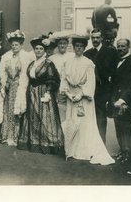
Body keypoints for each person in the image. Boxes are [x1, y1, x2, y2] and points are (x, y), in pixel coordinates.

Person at [59, 34, 114, 165]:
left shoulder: (89, 63)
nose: (78, 48)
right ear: (73, 47)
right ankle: (71, 150)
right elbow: (64, 79)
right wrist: (67, 93)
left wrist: (81, 94)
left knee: (84, 123)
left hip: (83, 99)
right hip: (71, 97)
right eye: (76, 46)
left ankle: (84, 150)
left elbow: (91, 82)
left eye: (81, 46)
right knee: (72, 122)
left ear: (84, 48)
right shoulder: (68, 62)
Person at [17, 36, 64, 154]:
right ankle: (34, 142)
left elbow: (54, 79)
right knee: (33, 118)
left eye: (40, 49)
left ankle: (49, 143)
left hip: (44, 93)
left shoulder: (48, 64)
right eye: (36, 49)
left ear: (44, 51)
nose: (38, 51)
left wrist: (48, 91)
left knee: (45, 118)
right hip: (32, 93)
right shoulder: (32, 63)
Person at [0, 30, 31, 146]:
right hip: (8, 86)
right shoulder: (6, 56)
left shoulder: (26, 56)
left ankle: (17, 136)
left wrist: (21, 86)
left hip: (19, 86)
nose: (14, 47)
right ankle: (6, 135)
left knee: (18, 109)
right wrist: (4, 84)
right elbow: (2, 72)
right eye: (13, 45)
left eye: (17, 45)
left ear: (21, 45)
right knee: (7, 110)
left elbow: (26, 74)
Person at [108, 39, 131, 163]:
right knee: (118, 126)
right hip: (116, 100)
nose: (120, 48)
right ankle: (122, 151)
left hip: (127, 101)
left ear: (128, 47)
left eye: (123, 46)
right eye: (118, 46)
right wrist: (112, 99)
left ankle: (128, 154)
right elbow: (113, 83)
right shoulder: (116, 61)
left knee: (126, 128)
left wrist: (122, 99)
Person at [92, 30, 120, 143]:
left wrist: (111, 93)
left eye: (97, 38)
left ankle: (101, 145)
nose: (95, 40)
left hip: (103, 92)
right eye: (93, 38)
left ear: (101, 38)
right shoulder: (87, 53)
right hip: (89, 91)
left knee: (101, 119)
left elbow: (115, 74)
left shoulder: (111, 52)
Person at [49, 30, 74, 123]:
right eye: (60, 43)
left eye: (64, 43)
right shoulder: (52, 58)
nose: (62, 46)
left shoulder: (72, 56)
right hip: (57, 88)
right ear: (57, 45)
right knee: (59, 111)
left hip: (71, 88)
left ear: (68, 44)